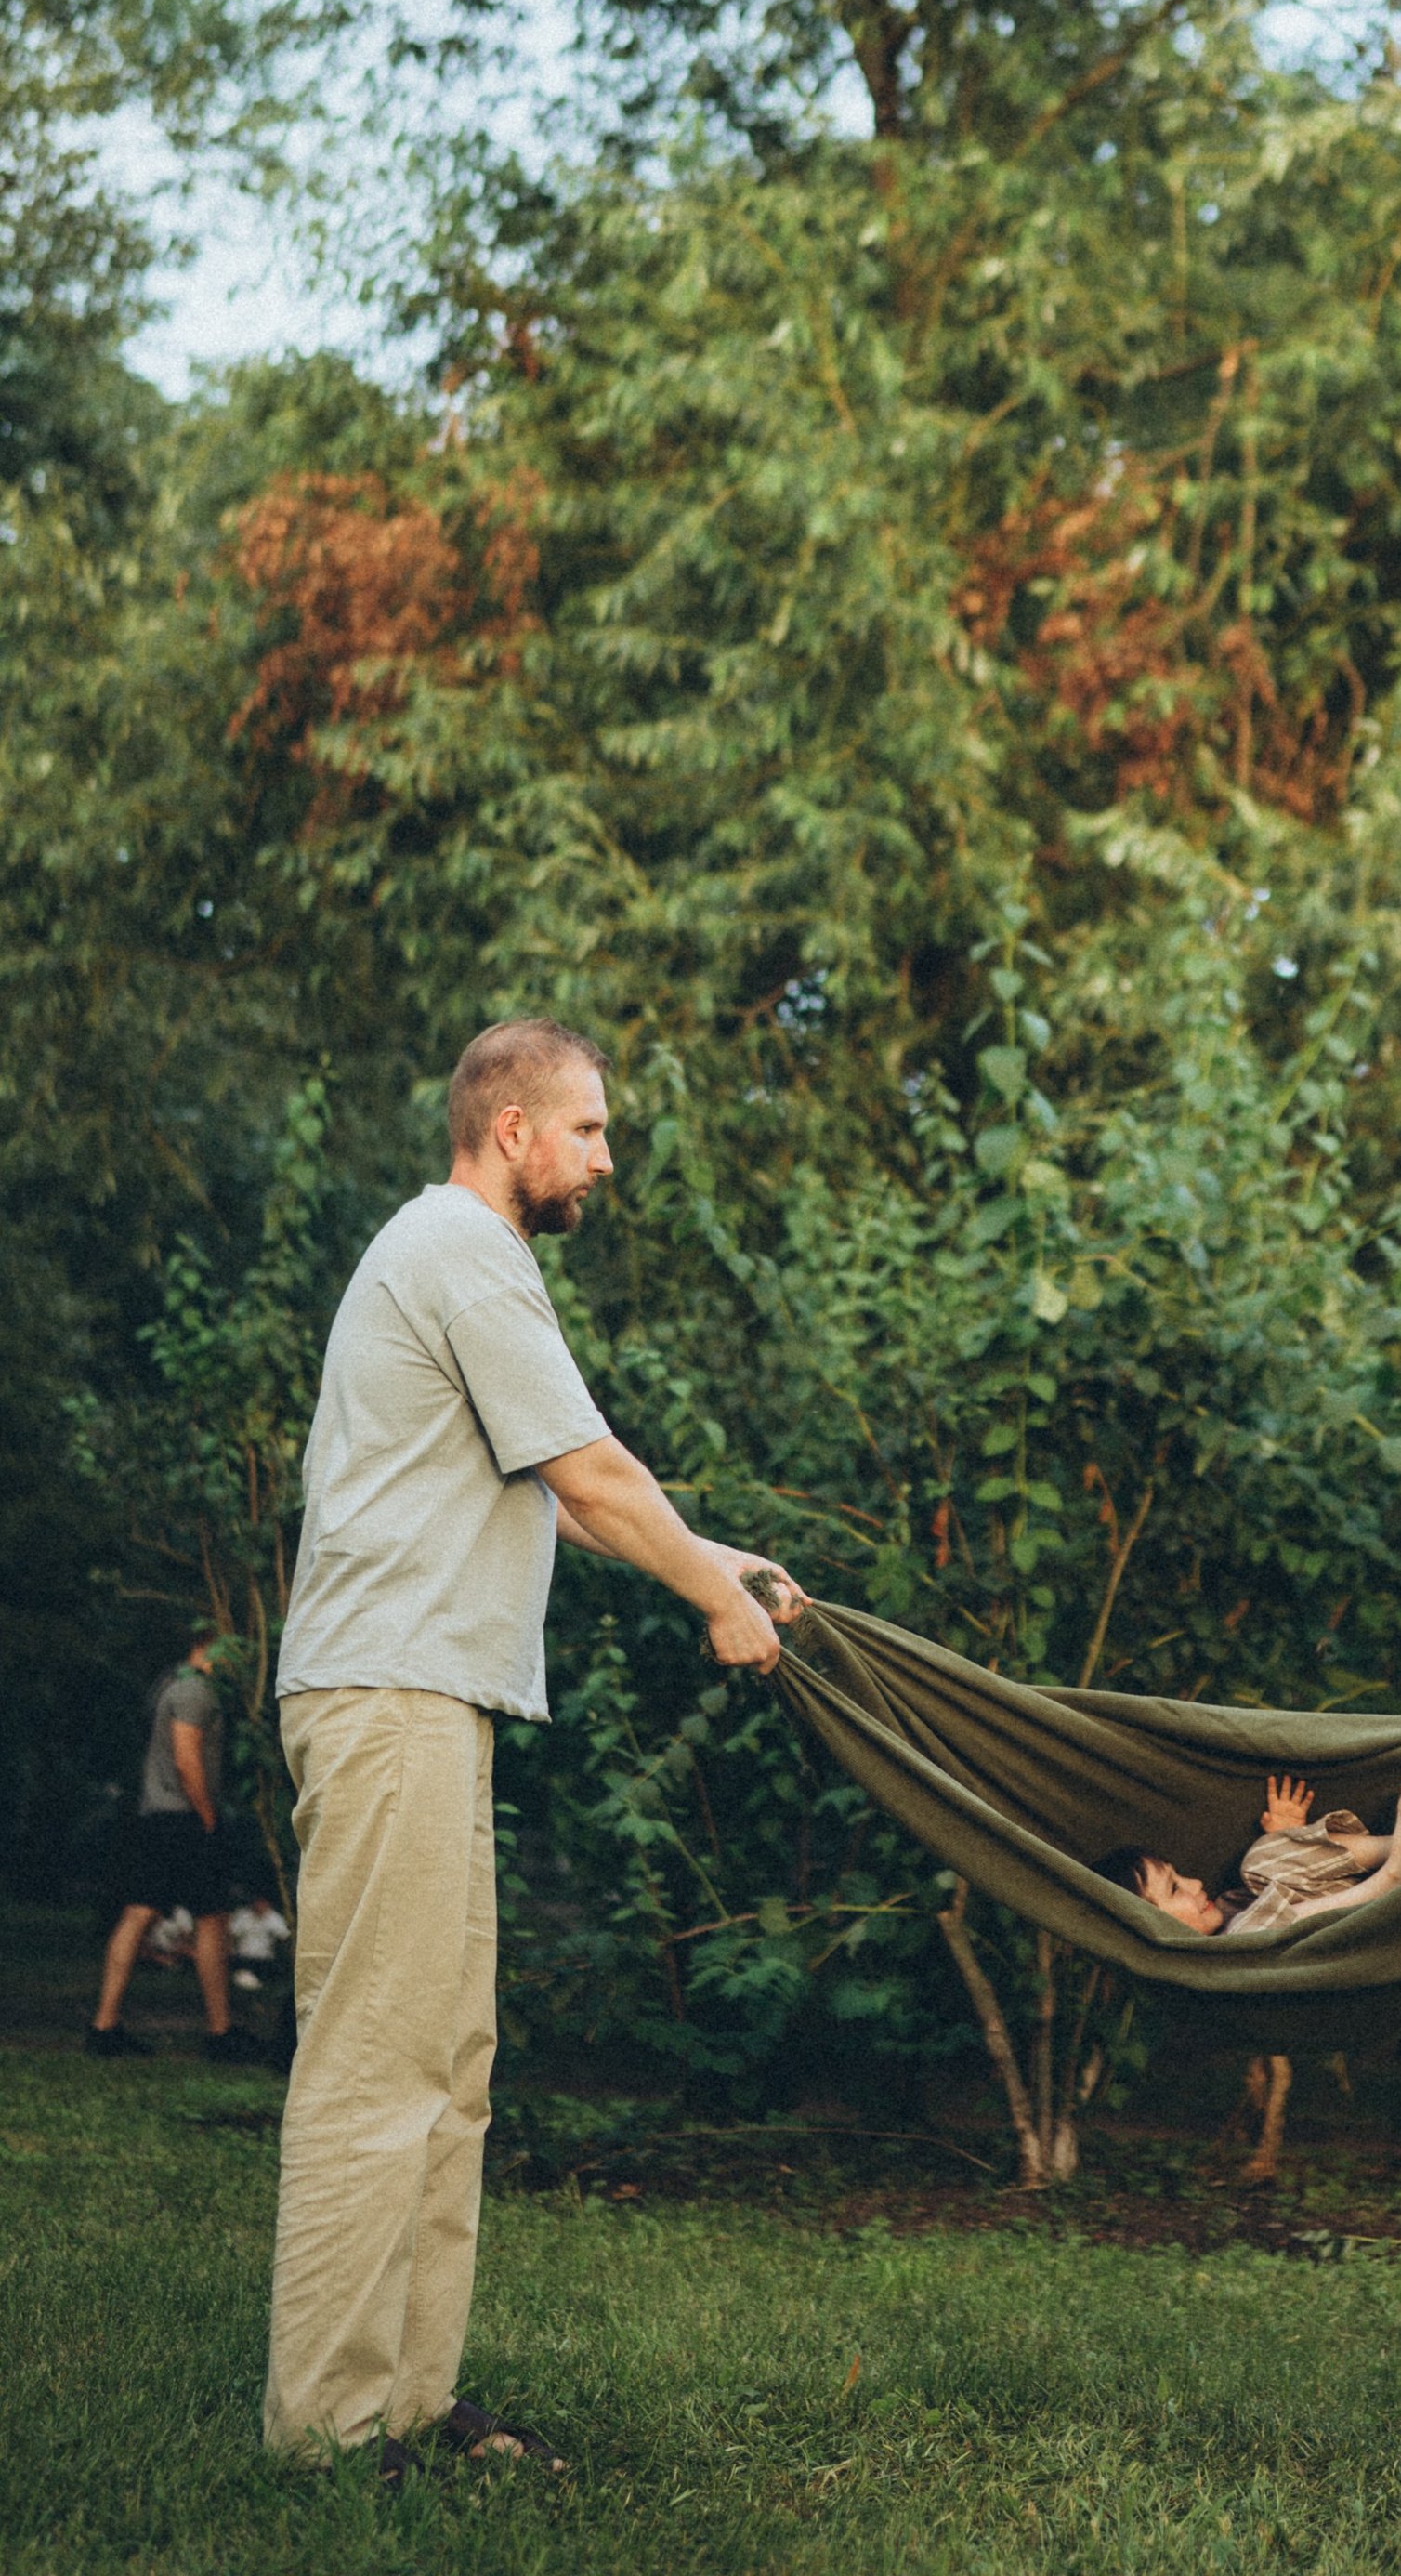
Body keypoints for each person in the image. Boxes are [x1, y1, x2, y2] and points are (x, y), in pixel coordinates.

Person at [262, 1016, 805, 2480]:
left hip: (424, 1697)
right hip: (386, 1697)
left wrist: (717, 1560)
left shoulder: (456, 1259)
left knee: (449, 2063)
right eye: (590, 1131)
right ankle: (326, 2429)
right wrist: (711, 1600)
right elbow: (591, 1470)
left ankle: (412, 2406)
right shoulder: (462, 1249)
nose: (605, 1161)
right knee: (378, 2067)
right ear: (510, 1129)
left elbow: (560, 1496)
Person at [87, 1638, 243, 2060]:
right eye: (228, 1649)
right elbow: (186, 1758)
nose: (235, 1658)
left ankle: (104, 2028)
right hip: (184, 1817)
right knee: (211, 1918)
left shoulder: (168, 1684)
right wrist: (207, 1814)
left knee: (141, 1911)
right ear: (206, 1647)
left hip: (160, 1815)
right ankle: (220, 2033)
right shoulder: (194, 1690)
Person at [1097, 1774, 1401, 1935]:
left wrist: (1288, 1840)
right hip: (1363, 1930)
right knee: (1246, 1939)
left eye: (1179, 1876)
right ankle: (1398, 1874)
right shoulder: (1212, 1965)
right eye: (1174, 1889)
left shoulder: (1228, 1905)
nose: (1195, 1883)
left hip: (1346, 1898)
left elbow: (1290, 1883)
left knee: (1258, 1861)